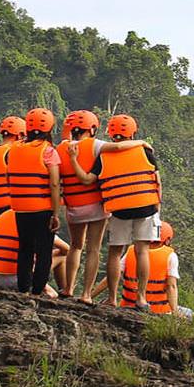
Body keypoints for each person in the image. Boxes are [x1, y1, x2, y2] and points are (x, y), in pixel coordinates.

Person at [72, 114, 160, 311]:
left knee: (115, 253)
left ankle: (112, 299)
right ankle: (142, 298)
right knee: (142, 251)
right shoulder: (144, 151)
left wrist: (73, 160)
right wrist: (157, 205)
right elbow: (157, 181)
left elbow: (88, 180)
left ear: (110, 133)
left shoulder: (103, 155)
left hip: (119, 209)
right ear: (133, 132)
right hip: (146, 206)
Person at [6, 108, 65, 295]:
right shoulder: (48, 151)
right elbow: (54, 183)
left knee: (25, 249)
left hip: (20, 208)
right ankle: (37, 291)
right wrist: (56, 213)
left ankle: (23, 289)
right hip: (42, 208)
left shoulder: (14, 148)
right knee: (43, 251)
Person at [59, 110, 108, 301]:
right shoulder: (97, 145)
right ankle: (87, 294)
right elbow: (119, 147)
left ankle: (68, 288)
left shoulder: (62, 147)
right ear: (93, 128)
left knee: (75, 246)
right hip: (96, 206)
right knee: (93, 248)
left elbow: (65, 139)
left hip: (74, 207)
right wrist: (140, 142)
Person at [0, 208, 70, 294]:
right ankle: (64, 290)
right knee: (62, 256)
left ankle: (57, 289)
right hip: (18, 277)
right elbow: (67, 249)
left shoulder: (2, 217)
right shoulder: (32, 218)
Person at [115, 221, 190, 317]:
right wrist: (175, 312)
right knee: (189, 313)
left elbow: (113, 275)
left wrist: (93, 294)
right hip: (158, 310)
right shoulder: (170, 256)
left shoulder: (131, 250)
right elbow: (171, 286)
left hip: (127, 306)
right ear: (167, 240)